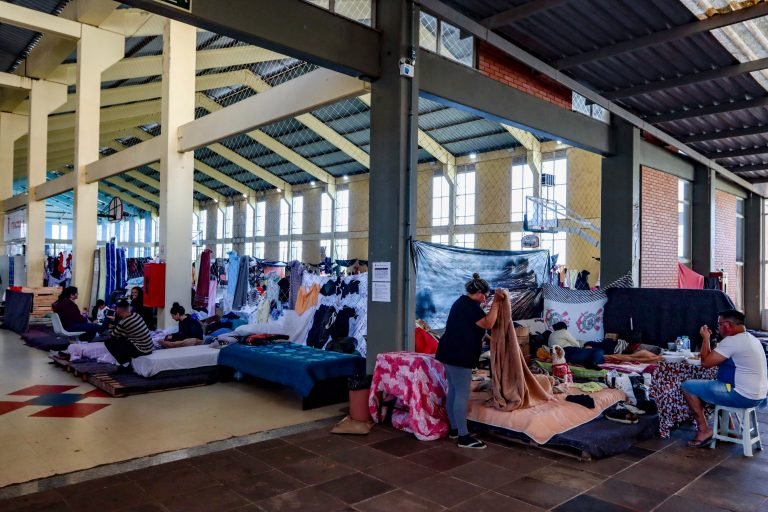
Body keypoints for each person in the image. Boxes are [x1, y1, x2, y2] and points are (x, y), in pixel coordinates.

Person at [435, 273, 507, 449]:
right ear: (481, 294)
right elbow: (489, 323)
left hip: (448, 352)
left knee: (453, 390)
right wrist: (497, 302)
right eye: (486, 297)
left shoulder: (461, 303)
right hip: (460, 355)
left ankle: (454, 429)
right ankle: (464, 437)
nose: (485, 301)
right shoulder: (471, 306)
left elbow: (472, 327)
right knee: (461, 394)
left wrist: (489, 338)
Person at [682, 309, 768, 448]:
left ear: (727, 325)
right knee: (721, 385)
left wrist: (705, 338)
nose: (718, 328)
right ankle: (730, 430)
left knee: (687, 386)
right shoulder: (751, 339)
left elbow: (706, 363)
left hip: (742, 396)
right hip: (759, 396)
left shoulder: (733, 341)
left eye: (719, 324)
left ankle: (704, 430)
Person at [104, 300, 154, 365]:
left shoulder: (124, 322)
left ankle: (125, 364)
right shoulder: (136, 315)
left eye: (116, 308)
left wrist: (111, 325)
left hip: (142, 350)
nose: (115, 310)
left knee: (109, 342)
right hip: (150, 347)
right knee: (122, 338)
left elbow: (113, 335)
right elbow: (125, 332)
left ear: (120, 309)